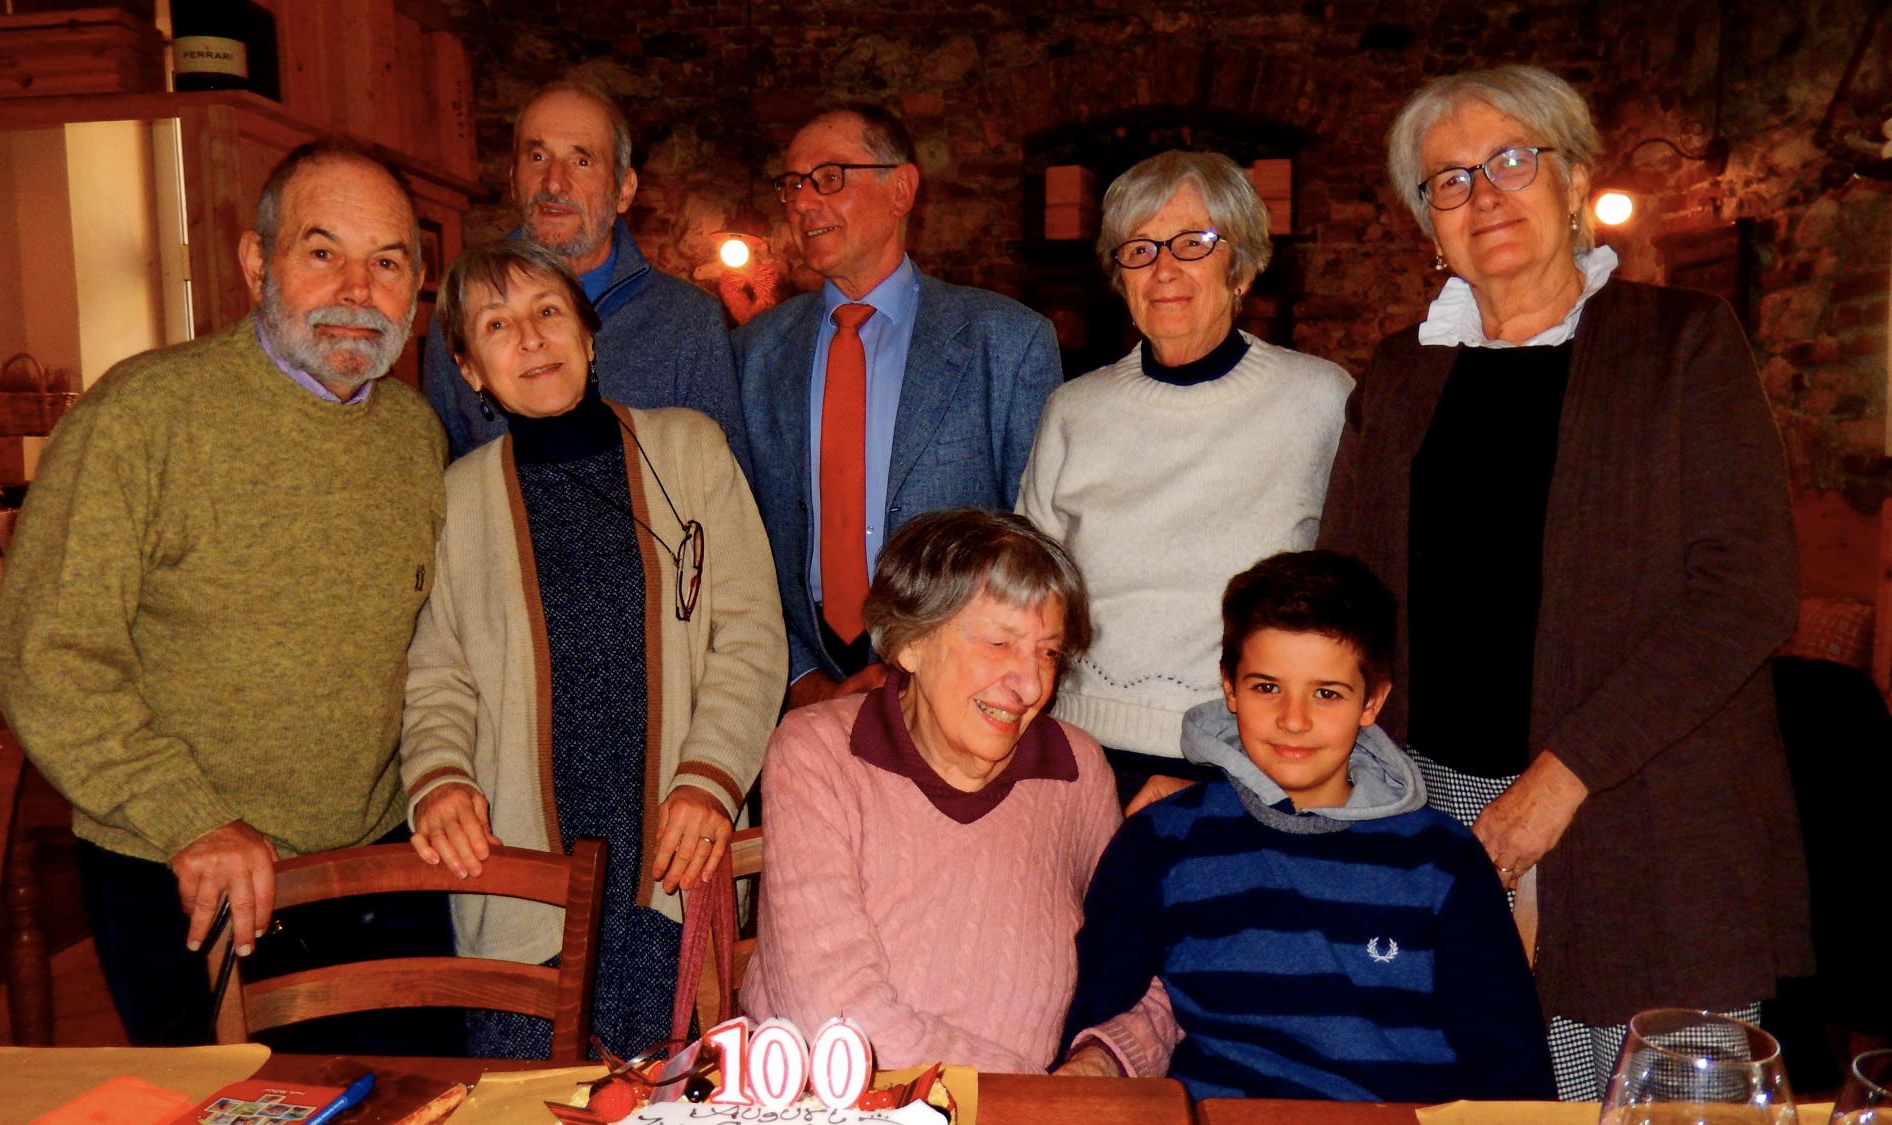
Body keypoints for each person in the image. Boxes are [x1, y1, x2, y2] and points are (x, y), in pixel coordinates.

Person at [1319, 64, 1810, 1099]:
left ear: (1574, 177)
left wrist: (1560, 780)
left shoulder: (1680, 343)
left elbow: (1745, 591)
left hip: (1639, 800)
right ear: (1428, 222)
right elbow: (1346, 599)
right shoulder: (1401, 373)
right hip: (1438, 806)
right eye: (1448, 180)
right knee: (1471, 1100)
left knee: (1654, 1104)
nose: (1482, 195)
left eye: (1509, 160)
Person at [0, 140, 455, 1050]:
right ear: (255, 263)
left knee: (416, 1098)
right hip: (187, 872)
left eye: (387, 262)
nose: (357, 289)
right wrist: (189, 817)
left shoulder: (414, 436)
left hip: (375, 866)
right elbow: (40, 653)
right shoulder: (141, 417)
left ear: (415, 287)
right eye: (322, 252)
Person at [399, 238, 785, 1060]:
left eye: (548, 312)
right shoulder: (458, 498)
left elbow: (750, 635)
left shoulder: (690, 450)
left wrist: (710, 777)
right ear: (469, 368)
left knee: (675, 1096)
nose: (531, 338)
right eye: (497, 325)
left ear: (587, 333)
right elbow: (438, 675)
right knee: (523, 1100)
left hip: (672, 858)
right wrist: (440, 779)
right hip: (524, 870)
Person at [1060, 550, 1555, 1102]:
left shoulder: (1443, 860)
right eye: (1267, 687)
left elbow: (1512, 1069)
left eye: (1326, 693)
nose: (1293, 720)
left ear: (1372, 701)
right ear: (1229, 688)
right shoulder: (1162, 843)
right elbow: (1096, 1016)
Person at [1017, 150, 1353, 810]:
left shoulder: (1319, 401)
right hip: (1079, 756)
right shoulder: (1073, 410)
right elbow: (1027, 598)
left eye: (1193, 243)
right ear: (1120, 277)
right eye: (1139, 249)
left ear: (1242, 267)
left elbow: (1352, 610)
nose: (1163, 269)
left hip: (1253, 764)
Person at [740, 509, 1128, 1072]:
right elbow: (832, 1015)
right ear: (911, 643)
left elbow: (1146, 970)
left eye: (1048, 652)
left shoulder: (1077, 771)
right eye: (999, 642)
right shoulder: (820, 752)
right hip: (841, 1102)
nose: (1029, 684)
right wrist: (1026, 1090)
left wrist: (1102, 1060)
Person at [737, 103, 1063, 711]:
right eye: (792, 185)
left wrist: (936, 666)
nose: (803, 202)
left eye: (829, 178)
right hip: (801, 678)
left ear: (902, 190)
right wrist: (800, 678)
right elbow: (737, 538)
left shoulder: (1006, 342)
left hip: (957, 685)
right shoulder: (753, 352)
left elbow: (1037, 549)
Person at [422, 80, 747, 466]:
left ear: (624, 190)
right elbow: (441, 481)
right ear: (513, 179)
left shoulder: (688, 321)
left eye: (582, 161)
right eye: (538, 157)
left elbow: (726, 483)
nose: (554, 182)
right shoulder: (463, 314)